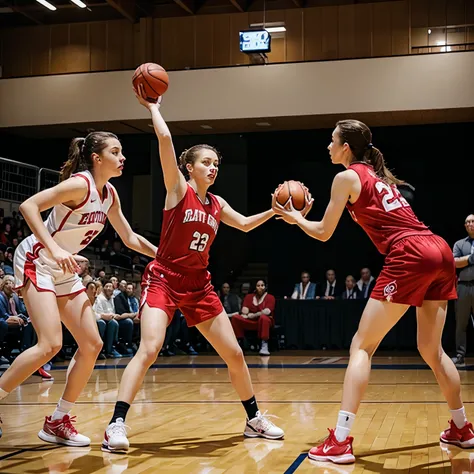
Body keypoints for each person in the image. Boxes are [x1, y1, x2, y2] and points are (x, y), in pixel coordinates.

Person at [273, 119, 470, 464]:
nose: (329, 147)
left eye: (332, 141)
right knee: (432, 349)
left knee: (361, 346)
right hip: (439, 249)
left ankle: (340, 440)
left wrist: (295, 219)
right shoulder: (378, 178)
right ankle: (462, 428)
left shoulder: (346, 177)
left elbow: (322, 232)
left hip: (410, 252)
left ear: (346, 147)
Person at [101, 86, 284, 453]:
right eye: (206, 163)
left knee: (234, 354)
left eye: (216, 164)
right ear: (190, 167)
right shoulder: (176, 190)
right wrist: (153, 107)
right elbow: (165, 138)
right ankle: (116, 424)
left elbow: (246, 224)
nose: (212, 168)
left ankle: (253, 419)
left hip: (200, 285)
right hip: (164, 278)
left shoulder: (217, 204)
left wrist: (276, 212)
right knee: (150, 347)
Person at [0, 131, 157, 445]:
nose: (123, 157)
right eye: (116, 152)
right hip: (38, 259)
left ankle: (58, 421)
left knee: (91, 344)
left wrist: (166, 255)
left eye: (122, 151)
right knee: (49, 344)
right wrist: (55, 250)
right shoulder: (79, 184)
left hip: (63, 269)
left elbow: (129, 238)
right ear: (97, 158)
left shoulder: (110, 193)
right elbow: (29, 206)